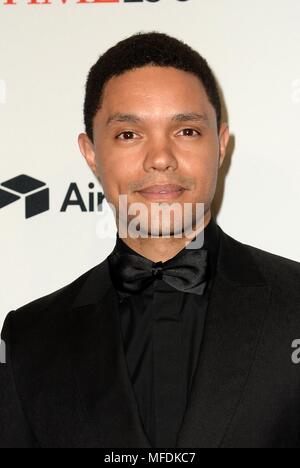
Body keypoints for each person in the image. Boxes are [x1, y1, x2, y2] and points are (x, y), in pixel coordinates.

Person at [1, 32, 300, 449]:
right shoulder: (28, 339)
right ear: (90, 153)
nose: (160, 158)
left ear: (221, 144)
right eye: (129, 134)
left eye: (188, 131)